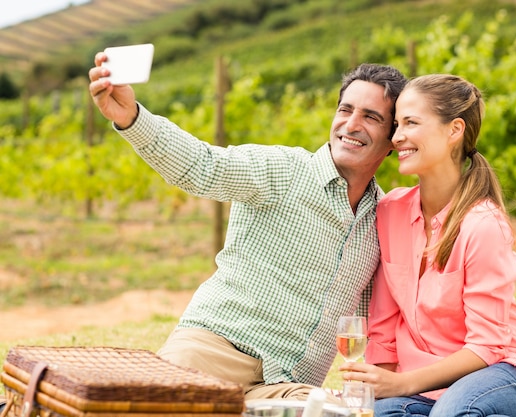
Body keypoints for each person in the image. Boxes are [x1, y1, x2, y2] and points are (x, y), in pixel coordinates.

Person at [88, 55, 407, 402]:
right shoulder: (282, 170)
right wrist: (132, 119)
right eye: (345, 110)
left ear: (394, 138)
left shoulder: (382, 218)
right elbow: (201, 166)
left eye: (371, 117)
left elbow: (371, 321)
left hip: (287, 385)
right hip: (211, 353)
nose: (351, 124)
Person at [339, 74, 516, 417]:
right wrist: (378, 392)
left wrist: (402, 385)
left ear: (454, 130)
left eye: (411, 123)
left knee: (452, 413)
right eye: (396, 124)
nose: (397, 137)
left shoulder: (482, 224)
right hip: (424, 388)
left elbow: (487, 346)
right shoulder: (390, 212)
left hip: (497, 373)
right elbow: (384, 328)